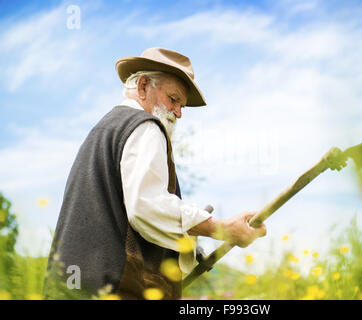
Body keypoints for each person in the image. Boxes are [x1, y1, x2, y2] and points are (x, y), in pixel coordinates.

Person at [43, 48, 266, 300]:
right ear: (143, 86)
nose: (179, 112)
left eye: (181, 105)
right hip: (112, 290)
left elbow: (123, 217)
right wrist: (220, 228)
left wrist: (189, 243)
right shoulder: (145, 127)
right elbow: (147, 206)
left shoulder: (103, 131)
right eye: (173, 99)